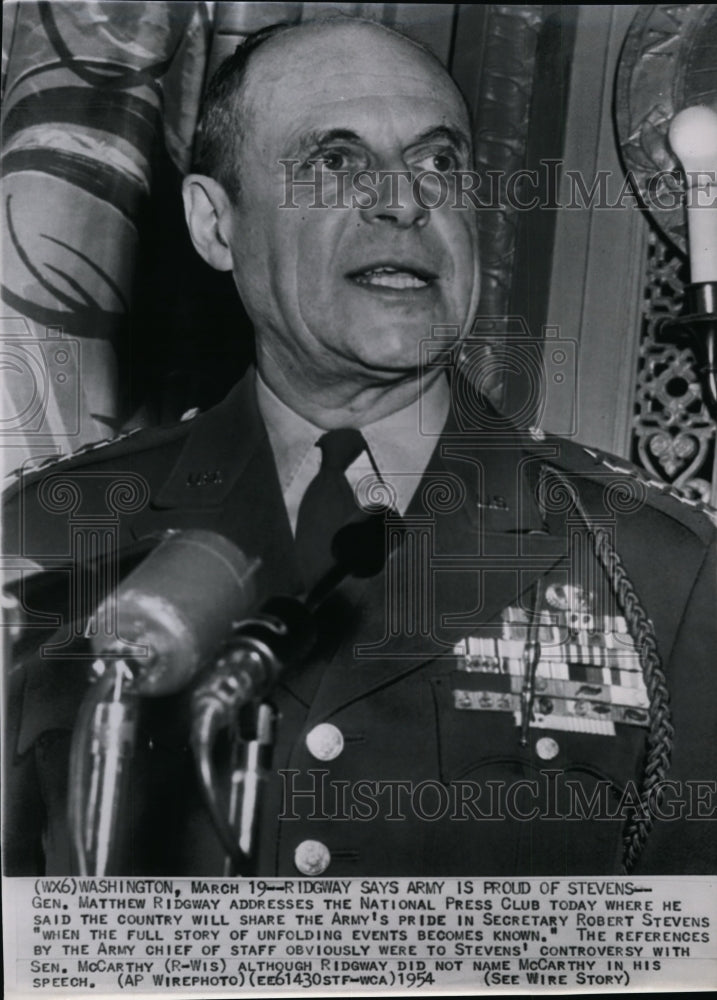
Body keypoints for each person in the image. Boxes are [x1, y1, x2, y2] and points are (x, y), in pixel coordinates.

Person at [3, 16, 716, 878]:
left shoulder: (654, 568)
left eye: (438, 163)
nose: (405, 201)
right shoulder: (45, 535)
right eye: (334, 162)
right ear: (214, 224)